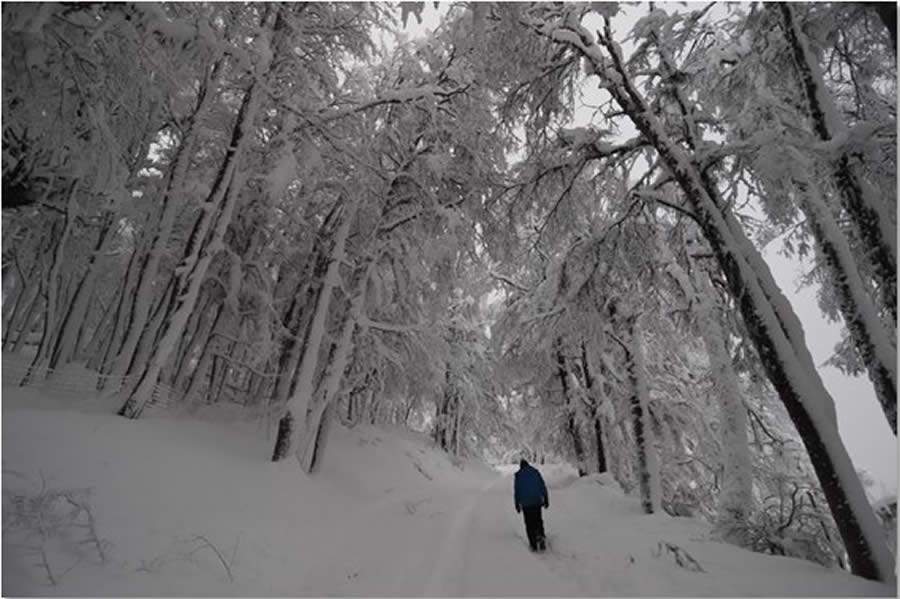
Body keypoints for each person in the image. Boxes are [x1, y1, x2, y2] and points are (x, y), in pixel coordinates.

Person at [513, 458, 549, 551]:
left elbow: (517, 491)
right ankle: (541, 536)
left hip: (526, 504)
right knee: (538, 520)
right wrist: (546, 499)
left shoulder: (518, 475)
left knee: (529, 523)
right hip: (536, 500)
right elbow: (542, 486)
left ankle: (533, 544)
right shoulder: (535, 472)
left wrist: (517, 504)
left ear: (521, 466)